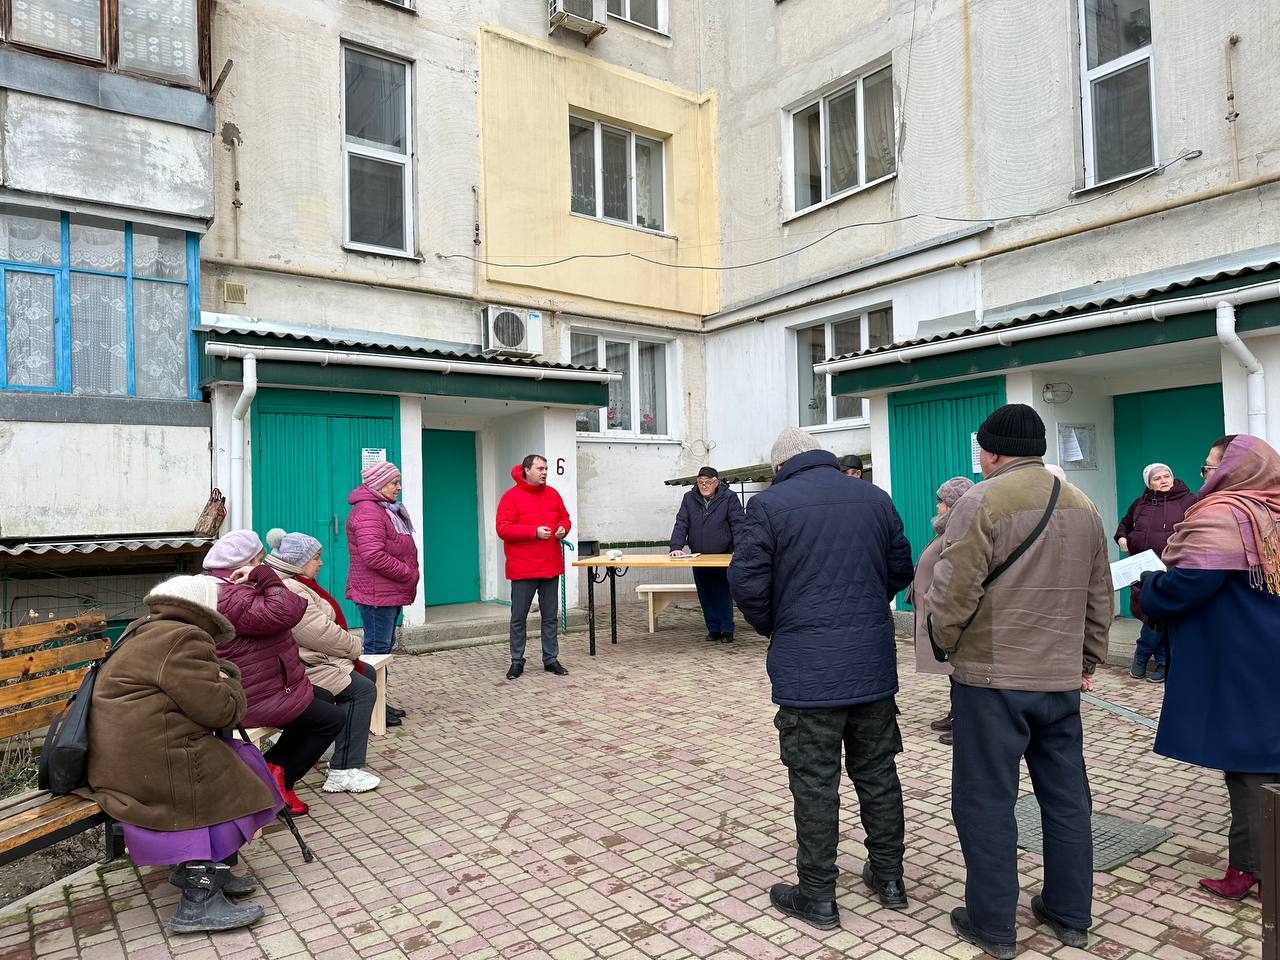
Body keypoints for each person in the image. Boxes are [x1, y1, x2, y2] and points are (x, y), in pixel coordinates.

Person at [925, 404, 1111, 958]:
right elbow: (1099, 594)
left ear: (995, 451)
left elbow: (953, 591)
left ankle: (992, 923)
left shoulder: (981, 502)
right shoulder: (1083, 503)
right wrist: (1087, 661)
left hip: (991, 680)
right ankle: (1070, 912)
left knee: (985, 801)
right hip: (1059, 680)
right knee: (1067, 800)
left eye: (981, 450)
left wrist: (944, 642)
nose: (979, 459)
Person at [729, 427, 914, 930]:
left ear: (780, 466)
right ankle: (890, 877)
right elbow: (901, 567)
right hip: (871, 663)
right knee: (878, 773)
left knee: (814, 781)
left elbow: (746, 581)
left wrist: (779, 623)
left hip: (808, 668)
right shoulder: (874, 498)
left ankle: (817, 894)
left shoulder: (767, 506)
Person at [80, 575, 281, 933]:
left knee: (233, 760)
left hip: (124, 757)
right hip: (151, 762)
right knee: (229, 775)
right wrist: (229, 676)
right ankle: (198, 897)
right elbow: (220, 712)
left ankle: (208, 870)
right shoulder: (183, 638)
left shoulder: (142, 631)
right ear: (206, 612)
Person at [1139, 434, 1280, 902]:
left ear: (1234, 470)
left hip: (1237, 658)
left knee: (1248, 765)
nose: (1205, 475)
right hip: (1269, 654)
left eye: (1208, 467)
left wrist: (1150, 585)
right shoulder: (1273, 511)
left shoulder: (1224, 515)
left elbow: (1188, 587)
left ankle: (1251, 869)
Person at [203, 530, 344, 816]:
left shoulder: (226, 588)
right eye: (259, 559)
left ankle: (276, 772)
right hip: (253, 695)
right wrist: (266, 576)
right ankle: (275, 777)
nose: (263, 564)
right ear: (244, 563)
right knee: (331, 719)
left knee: (324, 698)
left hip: (266, 685)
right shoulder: (229, 595)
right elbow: (289, 610)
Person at [266, 529, 382, 793]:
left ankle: (342, 759)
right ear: (298, 561)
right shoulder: (290, 588)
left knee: (368, 676)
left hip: (311, 659)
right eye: (316, 558)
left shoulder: (295, 582)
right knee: (361, 690)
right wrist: (354, 646)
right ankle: (343, 770)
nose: (321, 563)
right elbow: (318, 633)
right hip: (306, 665)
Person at [346, 460, 418, 726]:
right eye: (393, 482)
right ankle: (370, 708)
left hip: (386, 592)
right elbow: (373, 555)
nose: (398, 487)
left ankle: (379, 702)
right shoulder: (369, 511)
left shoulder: (384, 509)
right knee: (376, 651)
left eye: (398, 481)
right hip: (376, 594)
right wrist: (407, 573)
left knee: (382, 650)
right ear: (377, 484)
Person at [1115, 462, 1197, 683]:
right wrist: (1122, 537)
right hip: (1143, 570)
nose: (1164, 480)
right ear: (1149, 483)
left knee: (1162, 616)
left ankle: (1144, 658)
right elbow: (1124, 524)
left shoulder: (1190, 501)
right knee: (1152, 615)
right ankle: (1160, 663)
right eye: (1157, 478)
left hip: (1174, 569)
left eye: (1167, 475)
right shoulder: (1140, 504)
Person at [908, 476, 974, 746]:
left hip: (946, 612)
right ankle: (955, 714)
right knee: (951, 671)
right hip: (934, 609)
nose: (938, 507)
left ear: (953, 505)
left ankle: (965, 722)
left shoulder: (958, 533)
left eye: (942, 502)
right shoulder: (945, 530)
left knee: (957, 670)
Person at [496, 454, 571, 679]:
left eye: (546, 468)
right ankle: (517, 661)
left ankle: (551, 659)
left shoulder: (553, 494)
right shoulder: (510, 497)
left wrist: (562, 529)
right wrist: (533, 532)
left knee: (550, 617)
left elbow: (565, 518)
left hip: (550, 565)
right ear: (526, 470)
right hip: (523, 568)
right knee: (518, 617)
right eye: (540, 468)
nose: (545, 472)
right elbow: (503, 529)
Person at [669, 466, 745, 643]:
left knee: (722, 592)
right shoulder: (689, 498)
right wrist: (675, 546)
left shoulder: (729, 498)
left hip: (722, 557)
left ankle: (727, 630)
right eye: (701, 482)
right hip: (698, 556)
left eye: (708, 482)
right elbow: (681, 523)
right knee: (705, 594)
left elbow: (739, 525)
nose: (704, 486)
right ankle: (713, 629)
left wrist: (741, 550)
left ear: (716, 483)